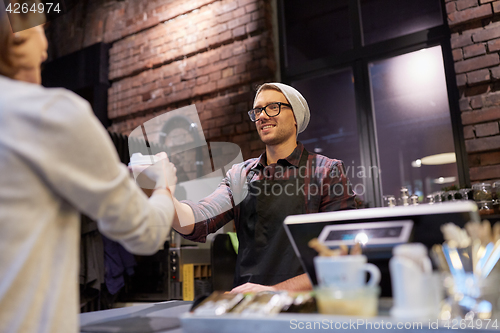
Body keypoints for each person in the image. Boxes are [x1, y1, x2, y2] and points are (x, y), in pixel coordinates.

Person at [0, 7, 177, 333]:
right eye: (42, 27)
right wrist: (164, 185)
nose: (47, 39)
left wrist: (114, 178)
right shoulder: (52, 113)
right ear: (19, 37)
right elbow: (145, 233)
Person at [170, 82, 356, 293]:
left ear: (295, 116)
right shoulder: (240, 175)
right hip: (250, 307)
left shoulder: (326, 170)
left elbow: (342, 255)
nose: (262, 116)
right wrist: (164, 196)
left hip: (304, 307)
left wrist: (274, 291)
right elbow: (201, 219)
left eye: (273, 107)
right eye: (258, 110)